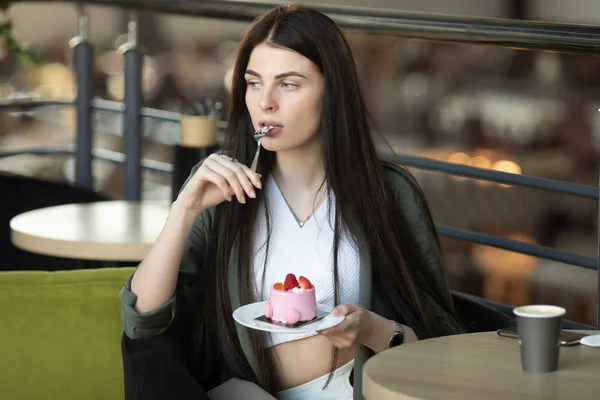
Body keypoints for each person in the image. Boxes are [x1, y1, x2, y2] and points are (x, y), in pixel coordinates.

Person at [119, 5, 463, 400]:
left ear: (331, 91)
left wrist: (371, 329)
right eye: (253, 83)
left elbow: (442, 348)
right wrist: (183, 210)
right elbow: (141, 327)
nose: (265, 102)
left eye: (288, 84)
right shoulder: (225, 188)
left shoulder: (389, 193)